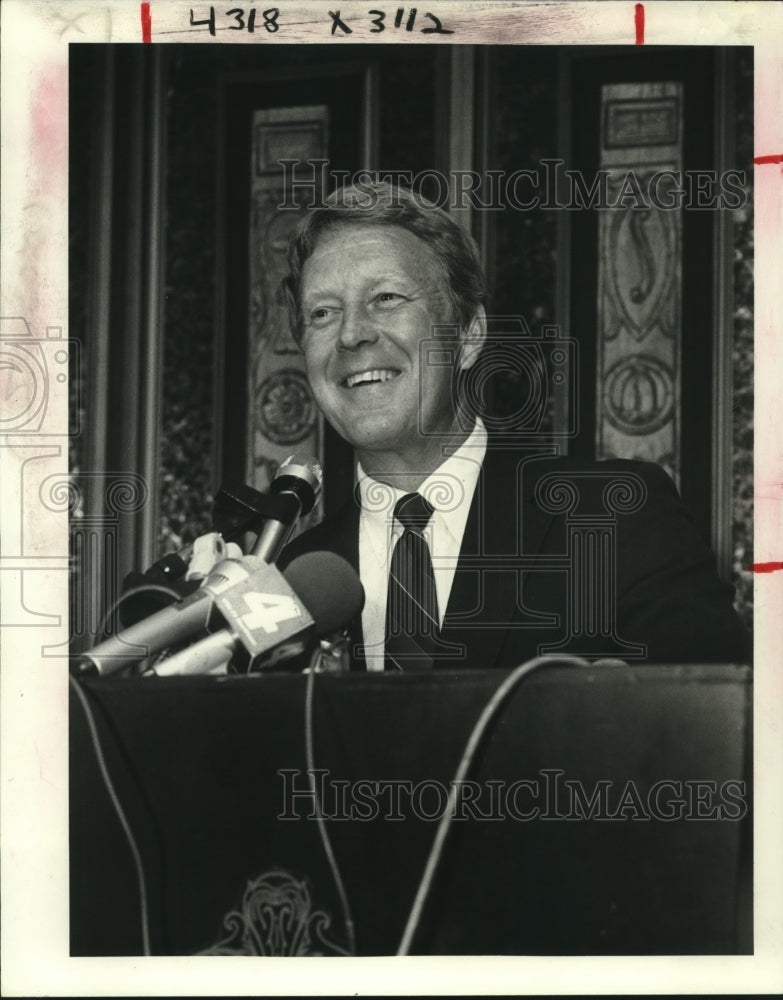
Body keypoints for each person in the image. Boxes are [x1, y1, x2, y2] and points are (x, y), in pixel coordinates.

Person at [279, 181, 750, 671]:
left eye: (387, 297)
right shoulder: (292, 581)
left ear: (468, 335)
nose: (352, 333)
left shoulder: (615, 517)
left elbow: (718, 725)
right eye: (322, 313)